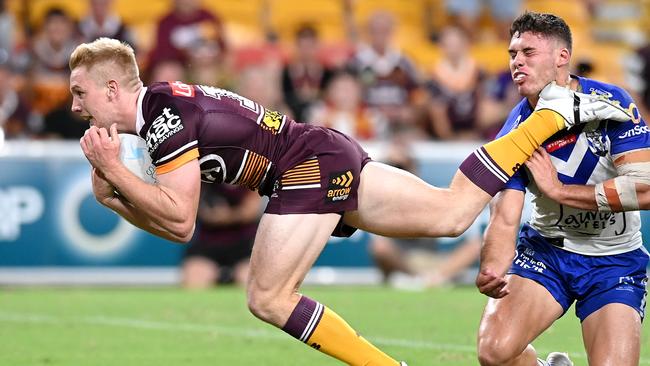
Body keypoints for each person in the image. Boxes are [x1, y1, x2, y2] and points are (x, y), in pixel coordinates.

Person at [69, 37, 629, 366]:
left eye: (80, 94)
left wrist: (117, 172)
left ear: (113, 90)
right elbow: (176, 226)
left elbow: (181, 218)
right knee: (452, 214)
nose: (75, 107)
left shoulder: (163, 118)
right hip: (317, 150)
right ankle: (547, 122)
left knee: (266, 296)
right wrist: (118, 197)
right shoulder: (158, 113)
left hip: (304, 166)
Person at [476, 12, 648, 366]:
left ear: (561, 57)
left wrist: (560, 192)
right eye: (513, 54)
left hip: (614, 261)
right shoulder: (516, 130)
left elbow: (645, 189)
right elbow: (505, 212)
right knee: (494, 353)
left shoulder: (611, 103)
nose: (517, 62)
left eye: (528, 52)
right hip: (547, 253)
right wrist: (492, 265)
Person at [182, 183, 260, 289]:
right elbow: (191, 207)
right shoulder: (204, 175)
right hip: (207, 244)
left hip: (244, 245)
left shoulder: (250, 173)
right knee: (194, 278)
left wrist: (225, 216)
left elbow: (251, 211)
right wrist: (207, 213)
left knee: (248, 279)